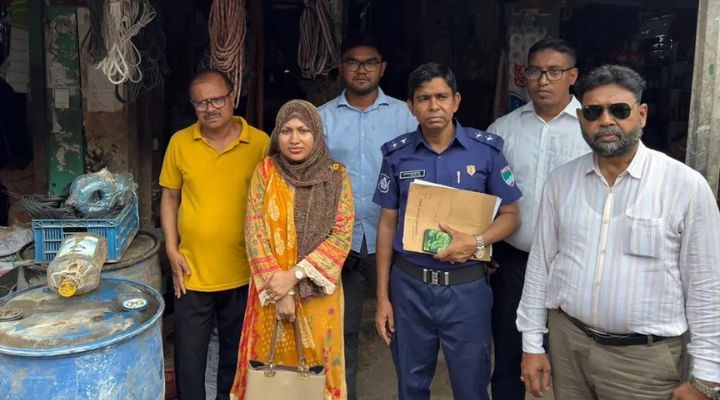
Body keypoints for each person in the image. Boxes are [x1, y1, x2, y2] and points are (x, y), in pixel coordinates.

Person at [517, 65, 720, 400]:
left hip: (643, 362)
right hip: (569, 347)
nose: (606, 121)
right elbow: (541, 265)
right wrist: (532, 344)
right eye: (593, 112)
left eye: (619, 110)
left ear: (642, 114)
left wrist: (708, 378)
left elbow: (706, 287)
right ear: (581, 119)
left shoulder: (685, 187)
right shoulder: (561, 182)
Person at [373, 62, 522, 400]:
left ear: (456, 101)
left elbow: (512, 216)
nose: (433, 106)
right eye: (424, 98)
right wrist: (383, 298)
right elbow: (386, 224)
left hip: (466, 287)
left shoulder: (486, 151)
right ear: (411, 106)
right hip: (410, 286)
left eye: (441, 97)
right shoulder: (397, 155)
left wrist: (476, 241)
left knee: (471, 388)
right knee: (411, 386)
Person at [485, 37, 589, 400]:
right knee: (509, 354)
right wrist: (487, 247)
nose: (543, 80)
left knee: (572, 360)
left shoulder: (592, 129)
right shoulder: (502, 130)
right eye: (535, 71)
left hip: (575, 263)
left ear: (572, 76)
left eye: (554, 71)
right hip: (514, 261)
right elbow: (486, 195)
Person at [230, 100, 354, 400]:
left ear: (317, 134)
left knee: (316, 373)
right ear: (277, 135)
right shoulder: (266, 171)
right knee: (268, 373)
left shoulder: (336, 176)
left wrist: (294, 277)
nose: (294, 139)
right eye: (286, 130)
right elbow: (254, 231)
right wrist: (281, 291)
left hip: (318, 297)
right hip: (270, 294)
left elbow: (341, 236)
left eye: (303, 130)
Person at [160, 69, 269, 400]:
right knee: (189, 361)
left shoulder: (260, 143)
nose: (210, 108)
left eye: (217, 100)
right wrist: (171, 250)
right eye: (201, 103)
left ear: (232, 97)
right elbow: (170, 197)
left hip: (243, 271)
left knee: (235, 358)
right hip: (191, 273)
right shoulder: (180, 142)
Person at [318, 33, 417, 400]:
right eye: (353, 62)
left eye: (370, 62)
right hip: (340, 240)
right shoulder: (322, 118)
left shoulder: (406, 115)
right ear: (341, 68)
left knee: (404, 327)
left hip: (394, 238)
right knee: (341, 332)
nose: (362, 70)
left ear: (382, 68)